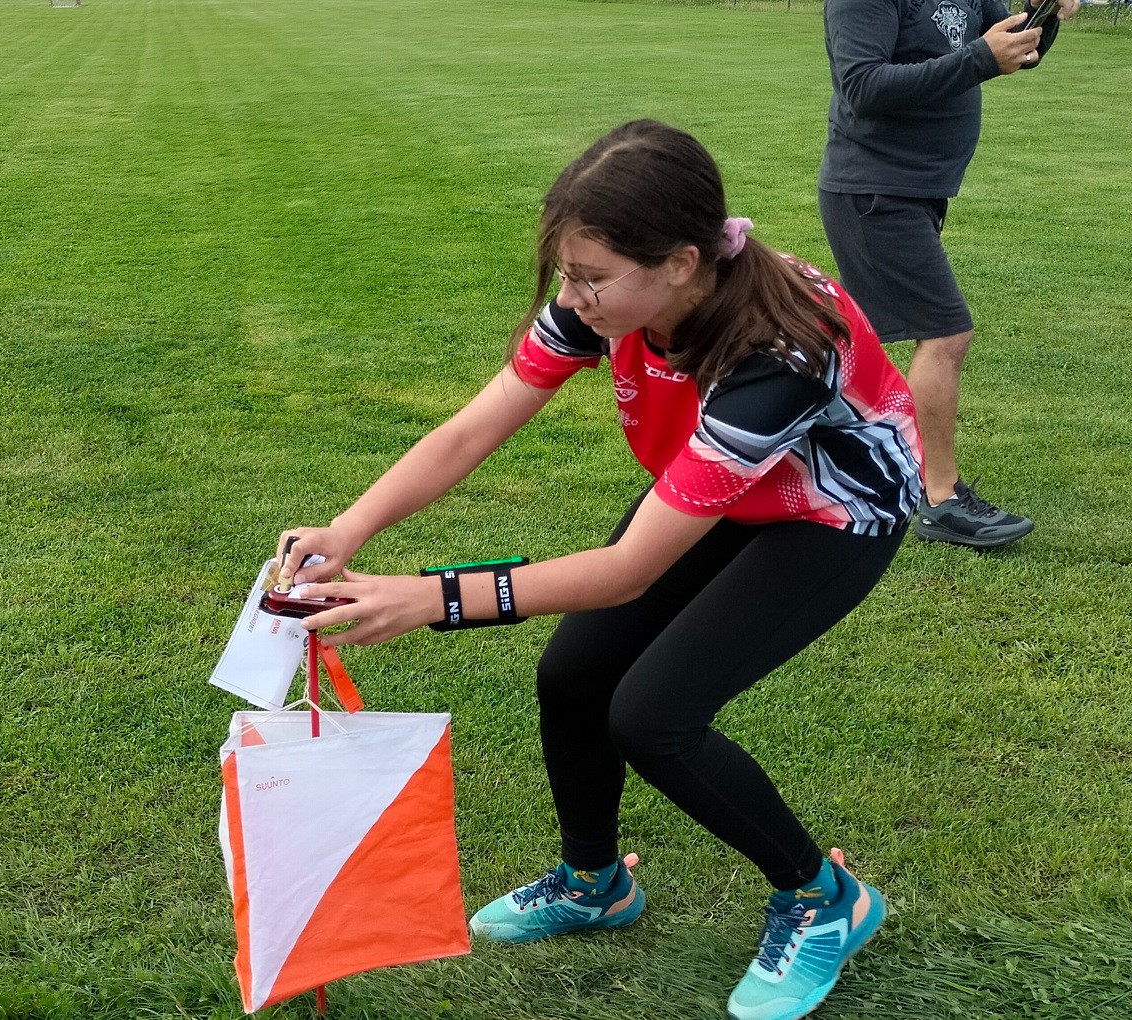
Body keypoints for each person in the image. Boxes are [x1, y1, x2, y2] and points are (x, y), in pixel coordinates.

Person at [276, 120, 923, 1020]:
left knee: (654, 717)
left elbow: (626, 571)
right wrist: (350, 527)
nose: (572, 298)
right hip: (728, 490)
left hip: (833, 517)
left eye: (591, 277)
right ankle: (595, 883)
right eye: (566, 274)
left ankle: (824, 897)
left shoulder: (783, 351)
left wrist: (436, 599)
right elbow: (474, 427)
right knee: (573, 675)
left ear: (683, 263)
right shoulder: (606, 300)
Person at [818, 0, 1079, 549]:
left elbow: (1012, 47)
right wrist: (981, 57)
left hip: (918, 187)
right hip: (875, 188)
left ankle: (810, 444)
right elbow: (862, 85)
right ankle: (939, 499)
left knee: (849, 335)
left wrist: (1042, 13)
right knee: (945, 333)